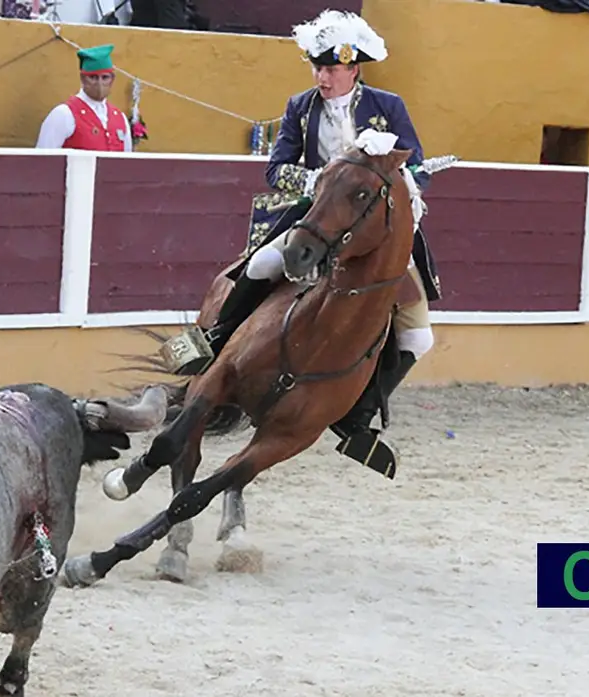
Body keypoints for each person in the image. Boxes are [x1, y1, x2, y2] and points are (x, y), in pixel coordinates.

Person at [166, 9, 443, 473]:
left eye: (332, 69)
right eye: (318, 67)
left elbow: (415, 166)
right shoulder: (300, 106)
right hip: (314, 218)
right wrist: (320, 182)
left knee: (419, 335)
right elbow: (276, 168)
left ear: (354, 69)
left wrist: (408, 180)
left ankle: (358, 418)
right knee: (256, 268)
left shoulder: (387, 106)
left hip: (373, 230)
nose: (323, 77)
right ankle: (208, 344)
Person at [35, 44, 134, 152]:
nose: (99, 83)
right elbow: (43, 158)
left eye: (104, 77)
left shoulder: (120, 118)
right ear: (83, 78)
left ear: (112, 79)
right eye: (93, 77)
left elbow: (126, 161)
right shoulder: (64, 114)